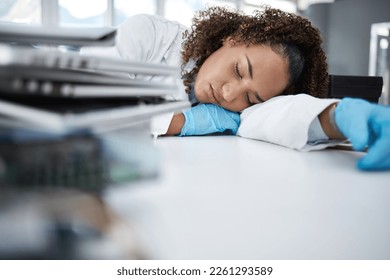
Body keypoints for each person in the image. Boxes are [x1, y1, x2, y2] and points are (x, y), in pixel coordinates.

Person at [81, 5, 390, 171]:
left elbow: (280, 116)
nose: (229, 94)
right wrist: (182, 122)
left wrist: (339, 116)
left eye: (250, 97)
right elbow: (87, 103)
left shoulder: (243, 110)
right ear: (232, 39)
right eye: (239, 69)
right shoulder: (148, 34)